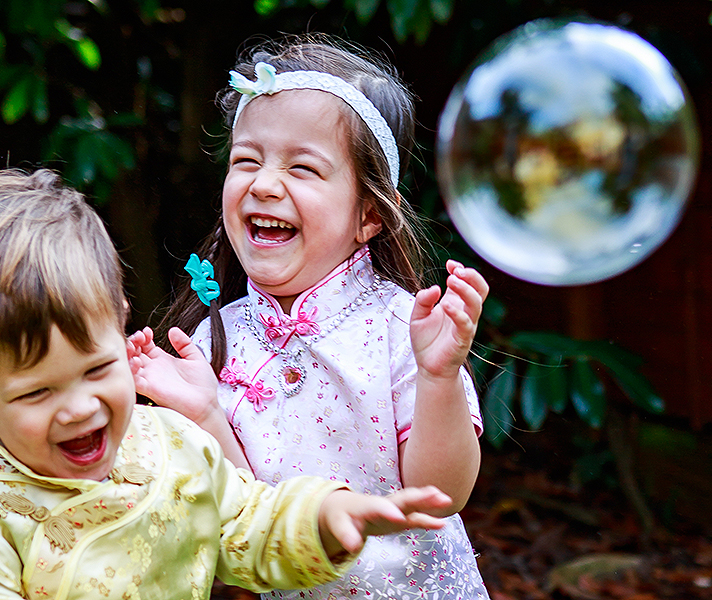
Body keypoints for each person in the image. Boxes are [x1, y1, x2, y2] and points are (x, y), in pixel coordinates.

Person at [0, 168, 456, 600]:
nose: (80, 408)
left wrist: (327, 518)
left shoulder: (167, 445)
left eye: (97, 369)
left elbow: (248, 522)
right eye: (36, 393)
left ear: (121, 324)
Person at [129, 35, 491, 599]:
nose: (264, 183)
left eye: (302, 168)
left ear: (369, 215)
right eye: (246, 160)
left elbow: (440, 495)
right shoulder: (214, 339)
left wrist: (440, 376)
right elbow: (244, 517)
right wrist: (204, 413)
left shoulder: (403, 328)